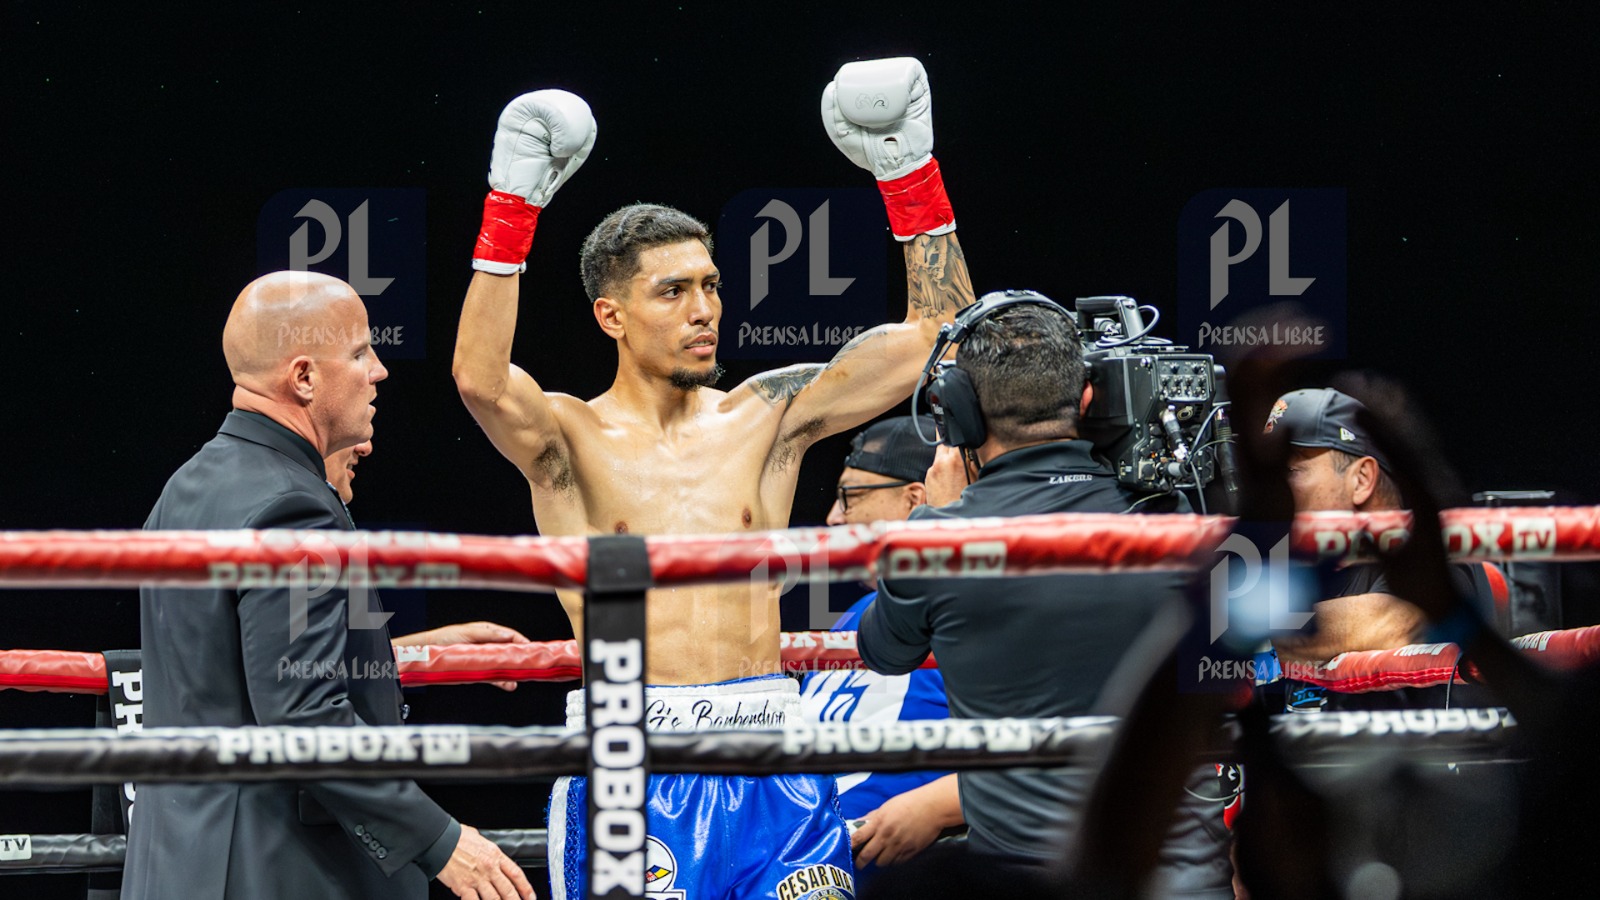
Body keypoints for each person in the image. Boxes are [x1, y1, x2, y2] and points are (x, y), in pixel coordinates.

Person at [453, 59, 971, 899]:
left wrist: (908, 174)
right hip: (636, 766)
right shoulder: (569, 439)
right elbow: (479, 379)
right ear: (611, 315)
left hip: (775, 764)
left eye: (710, 286)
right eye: (673, 292)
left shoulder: (767, 417)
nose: (704, 309)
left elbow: (938, 337)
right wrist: (511, 209)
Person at [123, 271, 533, 900]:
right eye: (361, 353)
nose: (380, 371)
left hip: (183, 862)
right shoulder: (291, 507)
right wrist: (439, 841)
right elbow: (300, 711)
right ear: (305, 378)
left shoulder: (189, 486)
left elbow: (230, 671)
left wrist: (402, 654)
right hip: (272, 869)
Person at [856, 292, 1233, 897]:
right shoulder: (1180, 520)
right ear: (1086, 398)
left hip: (1029, 887)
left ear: (959, 411)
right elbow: (1258, 655)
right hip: (1183, 884)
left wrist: (938, 519)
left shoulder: (935, 542)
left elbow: (883, 651)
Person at [1259, 386, 1497, 711]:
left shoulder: (1438, 548)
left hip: (1441, 744)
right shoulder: (1306, 569)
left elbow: (1390, 621)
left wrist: (1234, 625)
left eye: (1291, 470)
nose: (1271, 489)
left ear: (1361, 480)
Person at [800, 416, 963, 880]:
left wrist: (938, 806)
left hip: (906, 875)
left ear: (915, 500)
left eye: (849, 496)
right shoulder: (856, 614)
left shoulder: (978, 599)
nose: (833, 517)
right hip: (797, 863)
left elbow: (1065, 749)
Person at [324, 439, 532, 690]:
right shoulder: (296, 514)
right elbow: (301, 675)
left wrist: (438, 651)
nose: (365, 447)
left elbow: (320, 667)